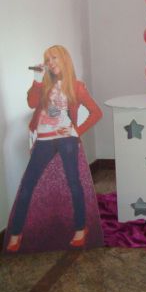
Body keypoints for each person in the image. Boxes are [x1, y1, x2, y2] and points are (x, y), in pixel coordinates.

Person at [6, 45, 103, 252]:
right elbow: (32, 103)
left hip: (67, 140)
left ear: (64, 59)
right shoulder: (43, 85)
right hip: (44, 140)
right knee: (28, 184)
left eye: (54, 58)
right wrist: (36, 80)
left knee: (73, 183)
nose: (51, 63)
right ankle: (16, 232)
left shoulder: (76, 86)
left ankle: (80, 229)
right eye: (48, 60)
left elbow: (96, 112)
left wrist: (76, 131)